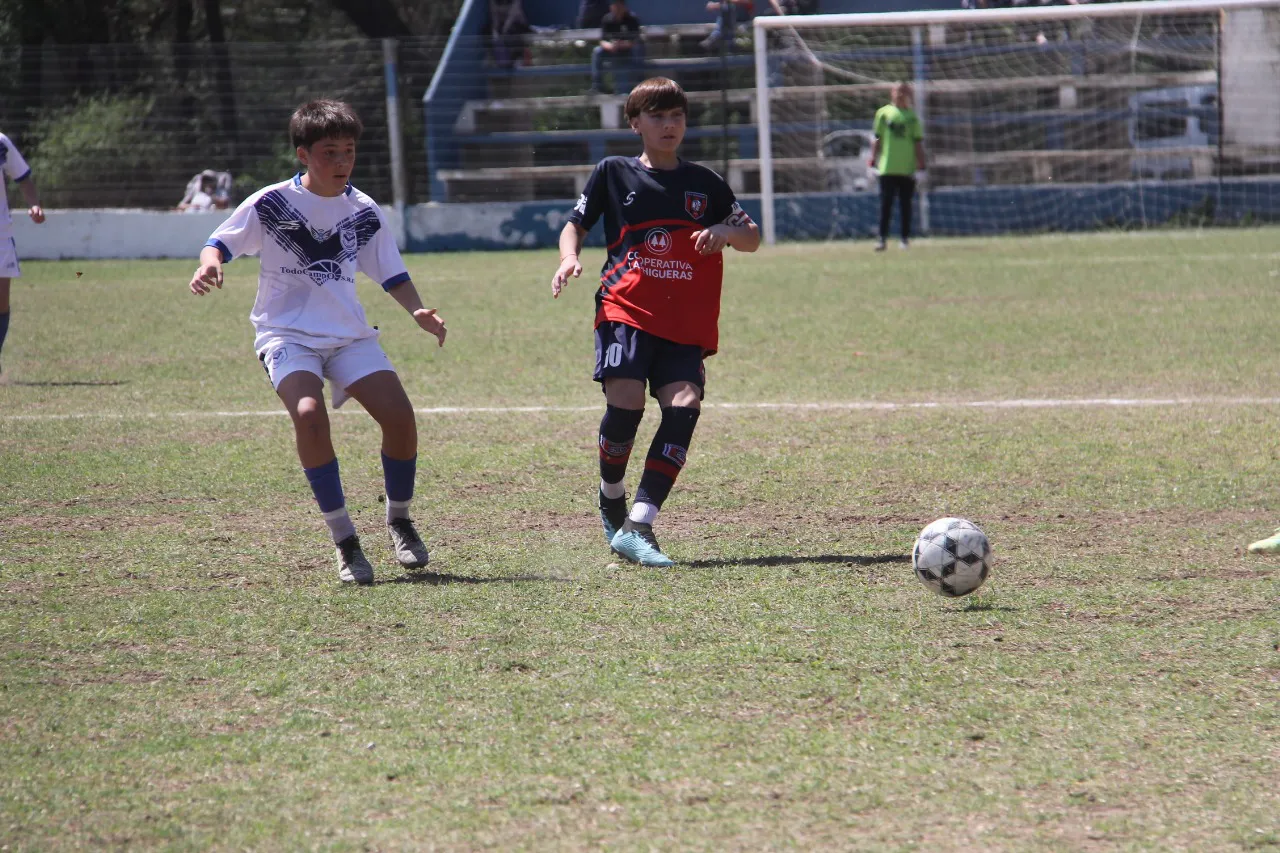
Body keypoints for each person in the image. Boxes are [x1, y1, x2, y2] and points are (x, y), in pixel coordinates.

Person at [188, 100, 448, 585]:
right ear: (303, 155)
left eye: (349, 151)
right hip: (286, 334)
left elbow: (391, 272)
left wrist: (417, 310)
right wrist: (210, 263)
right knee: (308, 415)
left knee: (400, 418)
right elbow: (218, 241)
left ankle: (400, 520)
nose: (342, 162)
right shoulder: (271, 203)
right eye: (330, 152)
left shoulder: (363, 210)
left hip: (348, 336)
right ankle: (346, 541)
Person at [550, 77, 761, 567]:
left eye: (677, 117)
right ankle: (611, 495)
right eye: (658, 117)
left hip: (685, 322)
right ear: (635, 123)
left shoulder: (705, 183)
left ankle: (639, 523)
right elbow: (574, 225)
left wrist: (725, 231)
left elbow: (752, 238)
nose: (669, 126)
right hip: (625, 309)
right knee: (625, 404)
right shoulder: (613, 172)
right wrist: (567, 257)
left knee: (684, 406)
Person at [0, 131, 45, 379]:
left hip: (0, 233)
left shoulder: (1, 142)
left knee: (1, 302)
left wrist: (33, 204)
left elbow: (23, 178)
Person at [870, 81, 927, 251]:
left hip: (907, 168)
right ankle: (882, 239)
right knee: (886, 204)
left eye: (904, 91)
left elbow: (917, 142)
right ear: (892, 93)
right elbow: (877, 138)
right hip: (887, 167)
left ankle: (904, 239)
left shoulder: (912, 117)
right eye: (898, 91)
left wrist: (921, 166)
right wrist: (872, 160)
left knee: (906, 205)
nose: (901, 94)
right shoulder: (883, 113)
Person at [591, 0, 644, 95]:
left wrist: (623, 44)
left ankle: (631, 87)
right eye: (614, 6)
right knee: (597, 52)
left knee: (625, 62)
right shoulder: (607, 19)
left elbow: (636, 41)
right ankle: (598, 86)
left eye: (619, 5)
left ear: (624, 6)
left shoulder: (632, 19)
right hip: (612, 50)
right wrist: (610, 46)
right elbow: (602, 40)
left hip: (628, 52)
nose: (617, 8)